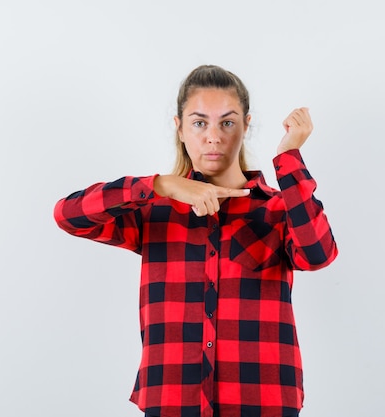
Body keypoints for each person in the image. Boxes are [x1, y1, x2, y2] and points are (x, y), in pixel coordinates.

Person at [53, 65, 338, 417]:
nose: (214, 137)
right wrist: (163, 185)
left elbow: (318, 253)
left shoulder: (278, 209)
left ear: (247, 125)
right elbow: (68, 215)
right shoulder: (154, 210)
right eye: (200, 123)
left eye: (228, 122)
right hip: (172, 400)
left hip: (262, 401)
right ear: (180, 128)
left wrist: (288, 157)